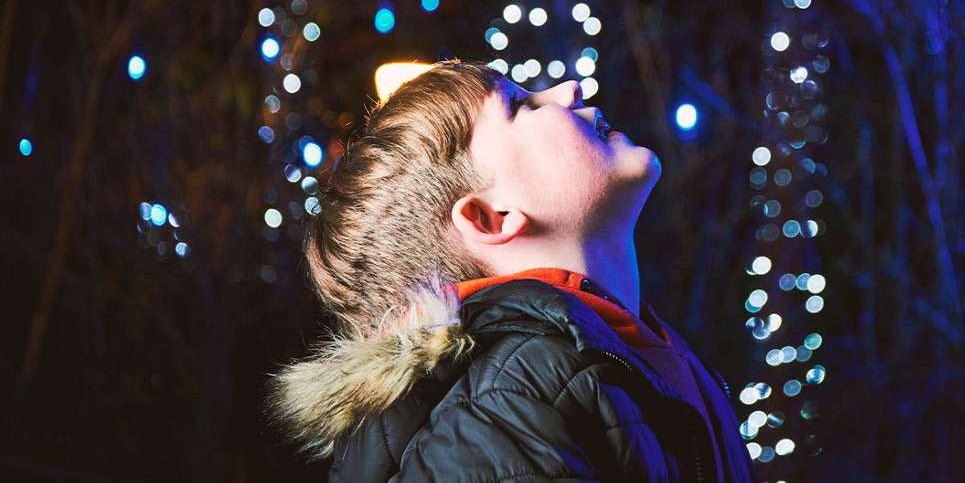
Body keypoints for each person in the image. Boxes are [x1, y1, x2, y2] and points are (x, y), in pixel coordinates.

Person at [269, 58, 756, 481]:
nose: (570, 91)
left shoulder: (628, 352)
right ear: (491, 217)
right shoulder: (502, 413)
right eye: (521, 106)